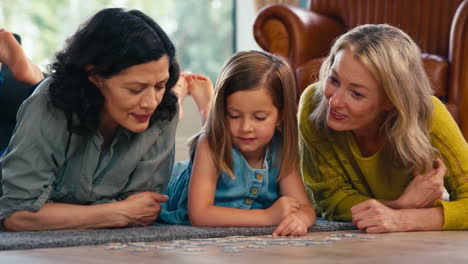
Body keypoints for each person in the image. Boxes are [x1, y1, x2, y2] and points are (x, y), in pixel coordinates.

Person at [0, 8, 182, 231]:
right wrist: (119, 211)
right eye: (136, 89)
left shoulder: (163, 111)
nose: (151, 102)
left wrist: (57, 212)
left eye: (160, 85)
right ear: (95, 76)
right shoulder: (48, 104)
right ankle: (17, 67)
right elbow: (18, 215)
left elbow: (144, 211)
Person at [299, 24, 468, 233]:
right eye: (334, 80)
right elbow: (331, 199)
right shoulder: (313, 103)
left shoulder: (430, 116)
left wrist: (406, 219)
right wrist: (401, 206)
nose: (334, 102)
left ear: (391, 100)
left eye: (357, 94)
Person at [159, 50, 316, 236]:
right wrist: (266, 217)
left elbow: (305, 207)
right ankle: (183, 99)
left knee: (224, 128)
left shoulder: (281, 148)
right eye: (233, 115)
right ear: (223, 110)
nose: (245, 127)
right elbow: (199, 214)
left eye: (259, 117)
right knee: (198, 129)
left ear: (280, 116)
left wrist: (301, 219)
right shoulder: (210, 144)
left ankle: (209, 111)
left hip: (220, 143)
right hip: (176, 184)